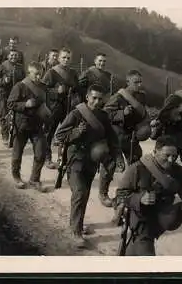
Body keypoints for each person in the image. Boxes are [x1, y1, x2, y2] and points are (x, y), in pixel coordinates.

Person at [54, 85, 120, 247]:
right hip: (76, 158)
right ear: (87, 98)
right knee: (79, 192)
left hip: (92, 160)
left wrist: (117, 157)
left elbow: (112, 138)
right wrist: (77, 132)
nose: (97, 101)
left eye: (100, 98)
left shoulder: (103, 116)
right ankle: (75, 230)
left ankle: (77, 224)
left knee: (85, 193)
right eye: (94, 98)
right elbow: (59, 135)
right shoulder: (76, 114)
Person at [115, 135, 182, 256]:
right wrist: (139, 198)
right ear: (155, 152)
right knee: (146, 257)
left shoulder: (177, 171)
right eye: (167, 156)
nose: (171, 160)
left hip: (161, 216)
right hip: (141, 218)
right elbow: (120, 195)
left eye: (174, 156)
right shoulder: (137, 169)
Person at [99, 69, 151, 207]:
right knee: (110, 164)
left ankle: (130, 193)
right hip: (116, 135)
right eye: (136, 82)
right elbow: (105, 114)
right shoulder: (118, 97)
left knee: (136, 163)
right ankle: (103, 194)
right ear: (128, 82)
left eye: (140, 82)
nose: (139, 85)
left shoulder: (141, 97)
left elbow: (143, 114)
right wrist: (122, 113)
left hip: (131, 136)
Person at [6, 62, 49, 191]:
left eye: (40, 74)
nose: (38, 77)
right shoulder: (20, 86)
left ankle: (34, 179)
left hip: (37, 124)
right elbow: (10, 103)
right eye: (36, 74)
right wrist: (25, 104)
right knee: (18, 153)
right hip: (22, 124)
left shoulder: (43, 87)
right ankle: (17, 177)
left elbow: (44, 104)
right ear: (29, 72)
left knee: (41, 152)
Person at [41, 48, 81, 169]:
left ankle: (62, 159)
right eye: (63, 57)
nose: (66, 60)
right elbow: (42, 89)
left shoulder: (73, 73)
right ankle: (47, 158)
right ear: (58, 58)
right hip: (54, 107)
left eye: (68, 58)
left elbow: (77, 89)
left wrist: (76, 97)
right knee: (49, 133)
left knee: (67, 133)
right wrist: (55, 91)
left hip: (68, 107)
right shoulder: (51, 72)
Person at [151, 71, 182, 169]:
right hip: (172, 134)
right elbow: (162, 116)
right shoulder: (174, 98)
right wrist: (178, 110)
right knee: (164, 165)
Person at [0, 50, 26, 146]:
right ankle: (5, 135)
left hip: (16, 95)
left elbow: (24, 80)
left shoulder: (20, 67)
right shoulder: (2, 66)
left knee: (16, 116)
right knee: (4, 116)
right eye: (12, 55)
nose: (14, 57)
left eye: (16, 55)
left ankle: (15, 136)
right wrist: (3, 80)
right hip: (4, 95)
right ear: (8, 56)